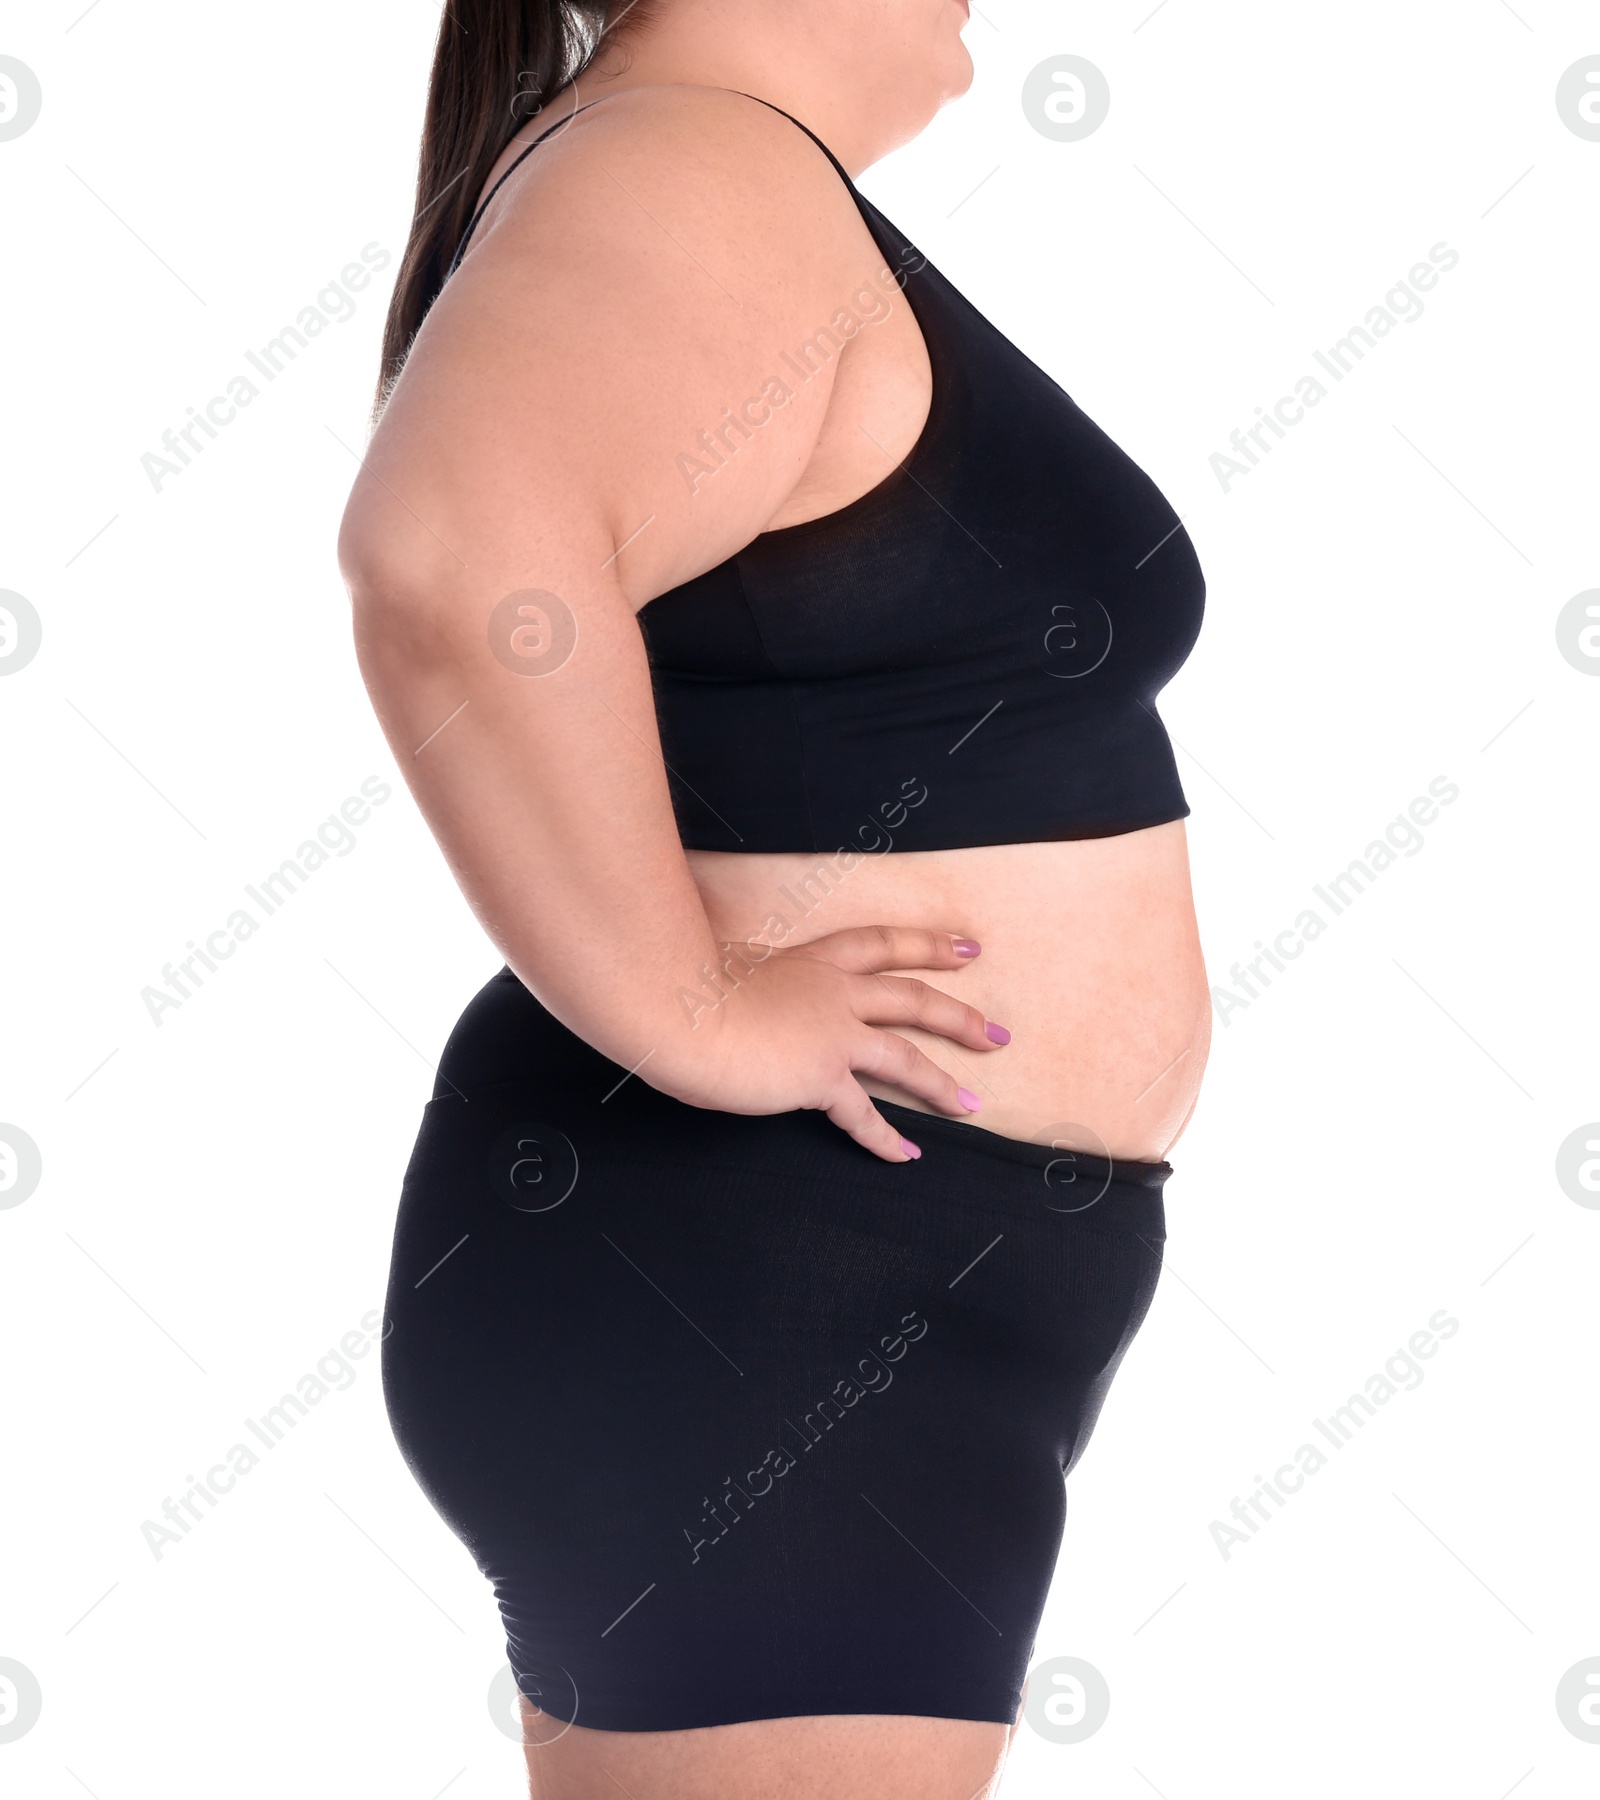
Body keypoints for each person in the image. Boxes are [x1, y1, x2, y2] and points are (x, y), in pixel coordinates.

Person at [338, 3, 1209, 1794]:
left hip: (843, 1274)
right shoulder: (693, 164)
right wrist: (696, 1018)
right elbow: (447, 559)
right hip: (777, 1284)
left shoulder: (707, 170)